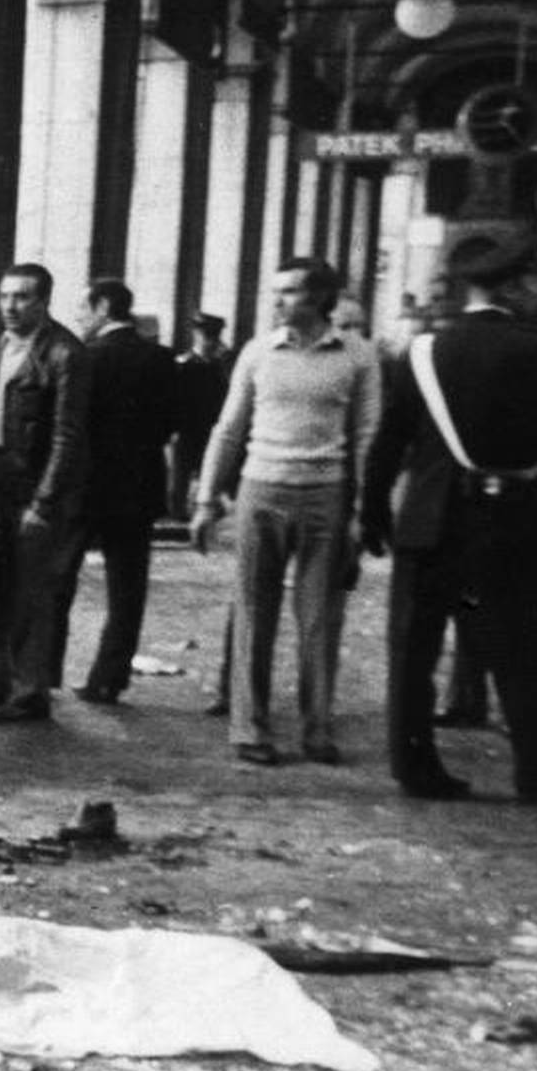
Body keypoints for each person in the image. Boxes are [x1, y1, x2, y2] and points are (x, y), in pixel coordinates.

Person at [367, 237, 537, 802]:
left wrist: (373, 510)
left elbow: (388, 442)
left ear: (466, 287)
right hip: (514, 523)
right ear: (518, 285)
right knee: (522, 652)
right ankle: (536, 777)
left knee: (414, 649)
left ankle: (415, 768)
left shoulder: (422, 352)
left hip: (429, 521)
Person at [191, 259, 380, 766]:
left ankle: (317, 730)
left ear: (322, 298)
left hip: (327, 497)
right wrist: (207, 499)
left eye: (291, 292)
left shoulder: (358, 356)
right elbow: (228, 430)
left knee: (320, 618)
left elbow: (367, 438)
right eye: (275, 291)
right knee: (254, 612)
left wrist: (363, 511)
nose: (278, 301)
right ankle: (249, 729)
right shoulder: (258, 351)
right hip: (261, 492)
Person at [0, 262, 91, 723]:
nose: (10, 307)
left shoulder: (64, 353)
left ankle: (29, 692)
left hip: (34, 488)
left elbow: (67, 436)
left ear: (44, 302)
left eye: (21, 297)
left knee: (30, 593)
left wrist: (45, 502)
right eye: (4, 297)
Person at [58, 279, 176, 704]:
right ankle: (109, 678)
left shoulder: (86, 360)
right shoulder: (162, 359)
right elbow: (170, 424)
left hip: (87, 487)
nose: (78, 317)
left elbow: (71, 427)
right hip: (139, 488)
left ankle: (41, 678)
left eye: (82, 308)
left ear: (103, 306)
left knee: (57, 581)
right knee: (127, 590)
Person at [168, 311, 230, 528]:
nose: (211, 341)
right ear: (196, 335)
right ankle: (177, 510)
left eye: (214, 336)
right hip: (187, 427)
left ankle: (208, 504)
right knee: (181, 471)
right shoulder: (182, 364)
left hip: (210, 426)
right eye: (206, 336)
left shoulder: (219, 366)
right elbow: (174, 398)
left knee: (208, 467)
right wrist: (173, 427)